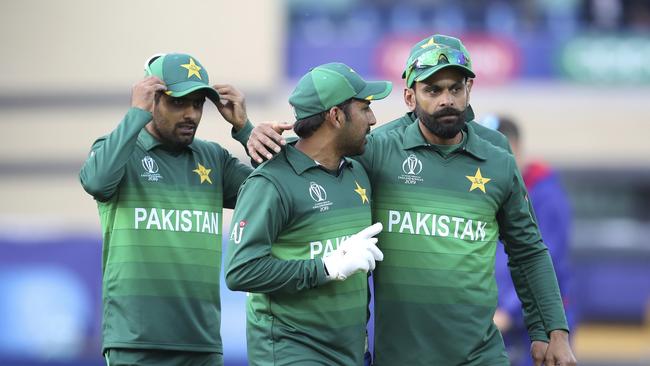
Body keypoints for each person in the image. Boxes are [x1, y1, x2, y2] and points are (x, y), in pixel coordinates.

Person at [246, 35, 577, 366]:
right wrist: (253, 136)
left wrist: (551, 332)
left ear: (469, 88)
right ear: (409, 96)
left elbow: (528, 251)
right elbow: (318, 150)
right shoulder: (377, 150)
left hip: (481, 355)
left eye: (455, 88)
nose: (446, 99)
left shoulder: (497, 156)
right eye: (432, 90)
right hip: (400, 356)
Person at [79, 53, 255, 366]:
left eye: (199, 103)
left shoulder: (213, 159)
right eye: (178, 103)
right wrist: (136, 114)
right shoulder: (119, 151)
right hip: (136, 344)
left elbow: (276, 198)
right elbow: (96, 182)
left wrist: (245, 130)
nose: (191, 114)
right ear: (152, 100)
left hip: (201, 345)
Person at [224, 62, 391, 365]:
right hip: (293, 355)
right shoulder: (270, 182)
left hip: (352, 354)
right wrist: (326, 267)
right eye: (364, 108)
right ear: (336, 116)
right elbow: (240, 271)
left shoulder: (357, 171)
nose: (373, 118)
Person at [483, 115, 574, 366]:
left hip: (542, 322)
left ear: (515, 147)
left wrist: (509, 312)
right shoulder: (491, 191)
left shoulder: (545, 195)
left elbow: (545, 259)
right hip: (499, 319)